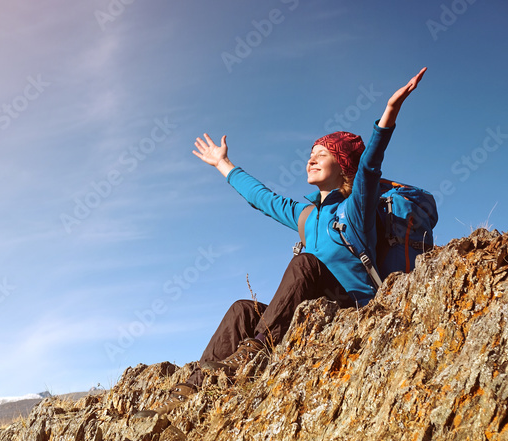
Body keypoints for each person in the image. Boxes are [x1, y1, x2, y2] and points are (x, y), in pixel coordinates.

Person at [162, 67, 427, 409]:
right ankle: (194, 388)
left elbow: (370, 166)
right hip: (309, 304)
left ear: (343, 165)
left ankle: (254, 356)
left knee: (306, 263)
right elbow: (261, 197)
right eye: (311, 153)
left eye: (323, 154)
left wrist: (388, 114)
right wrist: (223, 164)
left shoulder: (357, 207)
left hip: (351, 305)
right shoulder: (305, 215)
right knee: (242, 309)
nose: (311, 158)